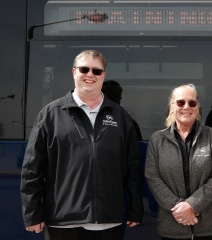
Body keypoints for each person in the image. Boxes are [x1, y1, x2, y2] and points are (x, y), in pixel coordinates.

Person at [20, 50, 144, 240]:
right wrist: (32, 213)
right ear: (74, 72)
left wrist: (135, 209)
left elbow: (133, 168)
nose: (90, 75)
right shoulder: (50, 115)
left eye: (96, 71)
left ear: (103, 75)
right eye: (84, 69)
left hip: (107, 220)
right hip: (62, 220)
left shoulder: (121, 117)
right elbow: (32, 169)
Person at [145, 84, 212, 240]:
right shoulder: (157, 140)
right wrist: (179, 209)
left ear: (197, 108)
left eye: (192, 103)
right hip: (172, 225)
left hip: (210, 226)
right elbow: (152, 176)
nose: (186, 107)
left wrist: (192, 205)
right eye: (180, 102)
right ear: (171, 107)